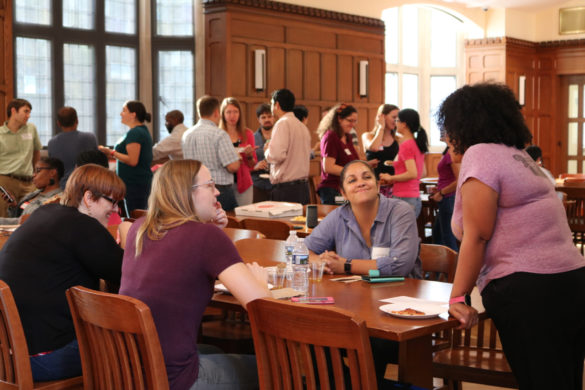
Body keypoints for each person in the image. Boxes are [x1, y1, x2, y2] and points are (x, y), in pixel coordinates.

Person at [437, 82, 585, 390]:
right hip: (570, 279)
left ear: (466, 123)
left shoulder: (480, 155)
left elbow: (477, 235)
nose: (445, 136)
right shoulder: (518, 156)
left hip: (526, 287)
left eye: (448, 126)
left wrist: (458, 296)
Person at [119, 160, 270, 390]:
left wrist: (211, 229)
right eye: (210, 185)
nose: (217, 191)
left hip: (134, 368)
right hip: (174, 378)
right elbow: (260, 305)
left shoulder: (140, 228)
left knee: (215, 351)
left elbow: (183, 261)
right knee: (270, 369)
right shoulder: (205, 237)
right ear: (187, 193)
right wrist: (262, 282)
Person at [0, 164, 125, 381]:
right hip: (41, 358)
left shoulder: (45, 213)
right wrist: (126, 232)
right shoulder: (83, 226)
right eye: (112, 201)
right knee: (135, 349)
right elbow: (127, 274)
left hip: (7, 355)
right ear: (89, 198)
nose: (116, 210)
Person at [305, 160, 421, 278]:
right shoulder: (337, 216)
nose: (361, 183)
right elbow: (300, 251)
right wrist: (315, 260)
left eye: (366, 177)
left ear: (378, 186)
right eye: (352, 180)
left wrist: (346, 265)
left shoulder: (400, 211)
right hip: (354, 293)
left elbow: (400, 267)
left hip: (401, 293)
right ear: (343, 193)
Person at [182, 96, 240, 211]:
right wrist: (237, 158)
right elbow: (233, 166)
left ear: (199, 112)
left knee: (201, 224)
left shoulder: (186, 134)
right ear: (217, 112)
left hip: (193, 188)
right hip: (218, 189)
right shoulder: (219, 134)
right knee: (226, 225)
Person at [98, 100, 153, 212]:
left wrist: (111, 153)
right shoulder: (137, 131)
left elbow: (133, 160)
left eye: (124, 110)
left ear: (133, 114)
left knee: (136, 218)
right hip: (134, 184)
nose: (120, 114)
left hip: (136, 185)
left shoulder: (135, 133)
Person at [265, 89, 312, 204]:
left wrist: (267, 151)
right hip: (303, 187)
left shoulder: (282, 123)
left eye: (271, 103)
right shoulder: (302, 126)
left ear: (276, 105)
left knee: (284, 222)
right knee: (299, 222)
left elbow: (277, 155)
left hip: (287, 189)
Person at [380, 108, 428, 217]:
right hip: (413, 197)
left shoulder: (406, 145)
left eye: (397, 121)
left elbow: (412, 173)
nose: (396, 124)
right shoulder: (417, 144)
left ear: (404, 124)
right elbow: (423, 172)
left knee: (400, 233)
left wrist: (390, 178)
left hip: (404, 197)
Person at [0, 99, 41, 217]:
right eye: (26, 111)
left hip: (28, 182)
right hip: (6, 181)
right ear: (13, 111)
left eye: (29, 113)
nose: (28, 116)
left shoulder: (31, 128)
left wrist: (36, 173)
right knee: (5, 217)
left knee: (31, 216)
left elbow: (36, 152)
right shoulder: (0, 134)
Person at [315, 104, 360, 204]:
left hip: (346, 187)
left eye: (355, 121)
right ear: (339, 119)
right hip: (332, 189)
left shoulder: (347, 137)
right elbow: (328, 167)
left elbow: (352, 161)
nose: (353, 124)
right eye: (350, 120)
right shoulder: (330, 136)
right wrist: (352, 172)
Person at [0, 157, 64, 225]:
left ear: (52, 173)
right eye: (34, 171)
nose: (33, 175)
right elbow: (19, 217)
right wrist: (14, 207)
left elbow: (26, 221)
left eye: (38, 171)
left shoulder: (56, 199)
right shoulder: (34, 194)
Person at [219, 97, 257, 206]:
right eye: (229, 112)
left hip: (243, 182)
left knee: (244, 216)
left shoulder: (247, 133)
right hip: (223, 183)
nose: (232, 116)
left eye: (235, 112)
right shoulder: (218, 134)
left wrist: (249, 156)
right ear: (223, 114)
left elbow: (252, 165)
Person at [48, 106, 98, 189]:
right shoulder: (90, 138)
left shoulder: (52, 143)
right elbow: (98, 164)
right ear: (77, 120)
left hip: (63, 188)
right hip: (87, 187)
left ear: (58, 123)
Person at [362, 104, 400, 197]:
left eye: (398, 118)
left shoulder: (398, 139)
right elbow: (374, 147)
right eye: (394, 117)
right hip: (372, 185)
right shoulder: (368, 136)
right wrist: (381, 127)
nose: (396, 121)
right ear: (382, 116)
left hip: (392, 185)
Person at [430, 144, 459, 251]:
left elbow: (458, 180)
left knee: (447, 237)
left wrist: (442, 192)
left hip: (449, 198)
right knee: (438, 234)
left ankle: (454, 266)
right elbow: (448, 177)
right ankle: (440, 265)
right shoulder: (448, 152)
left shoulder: (452, 153)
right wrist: (438, 189)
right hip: (445, 198)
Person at [251, 104, 273, 203]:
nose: (267, 119)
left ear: (274, 118)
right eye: (263, 117)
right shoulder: (252, 138)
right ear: (258, 120)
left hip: (276, 184)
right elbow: (245, 163)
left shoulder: (281, 137)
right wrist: (255, 166)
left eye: (269, 116)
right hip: (257, 184)